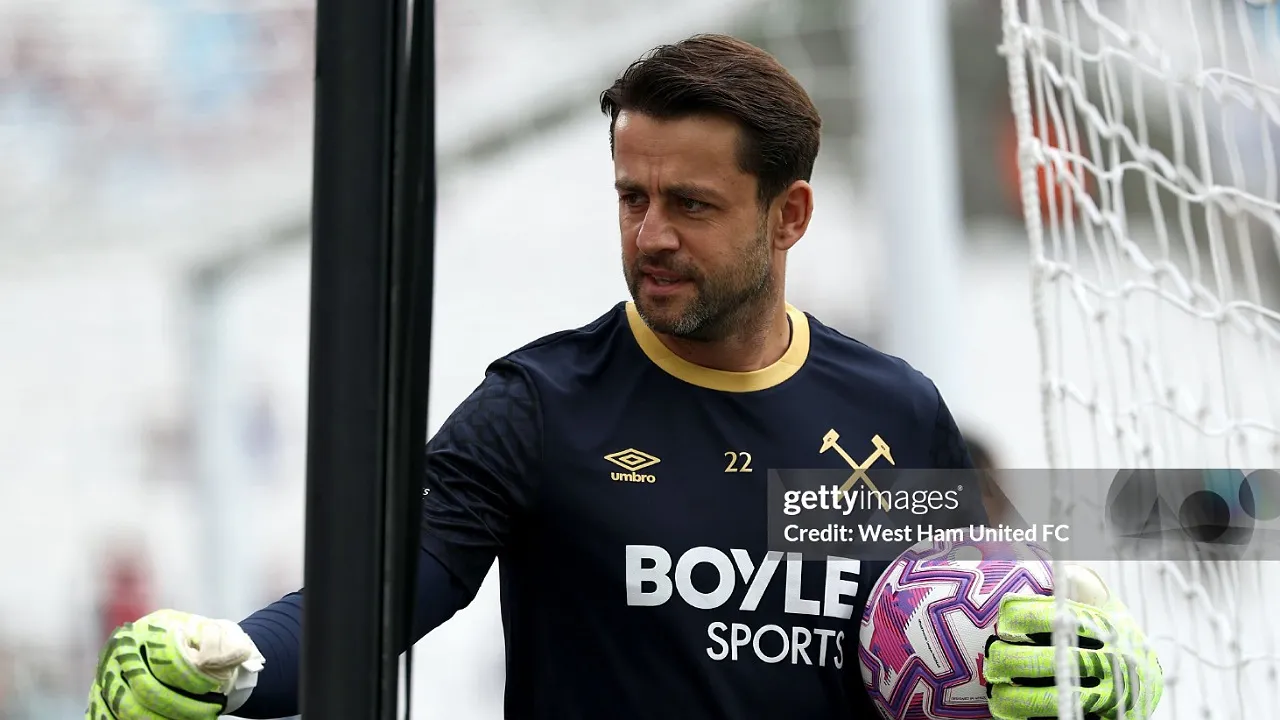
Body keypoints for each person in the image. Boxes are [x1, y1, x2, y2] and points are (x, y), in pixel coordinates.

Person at [85, 34, 1163, 720]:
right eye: (627, 197)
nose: (648, 234)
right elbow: (375, 599)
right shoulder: (540, 407)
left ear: (787, 215)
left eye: (688, 205)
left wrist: (1086, 673)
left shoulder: (890, 412)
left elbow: (976, 626)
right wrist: (232, 659)